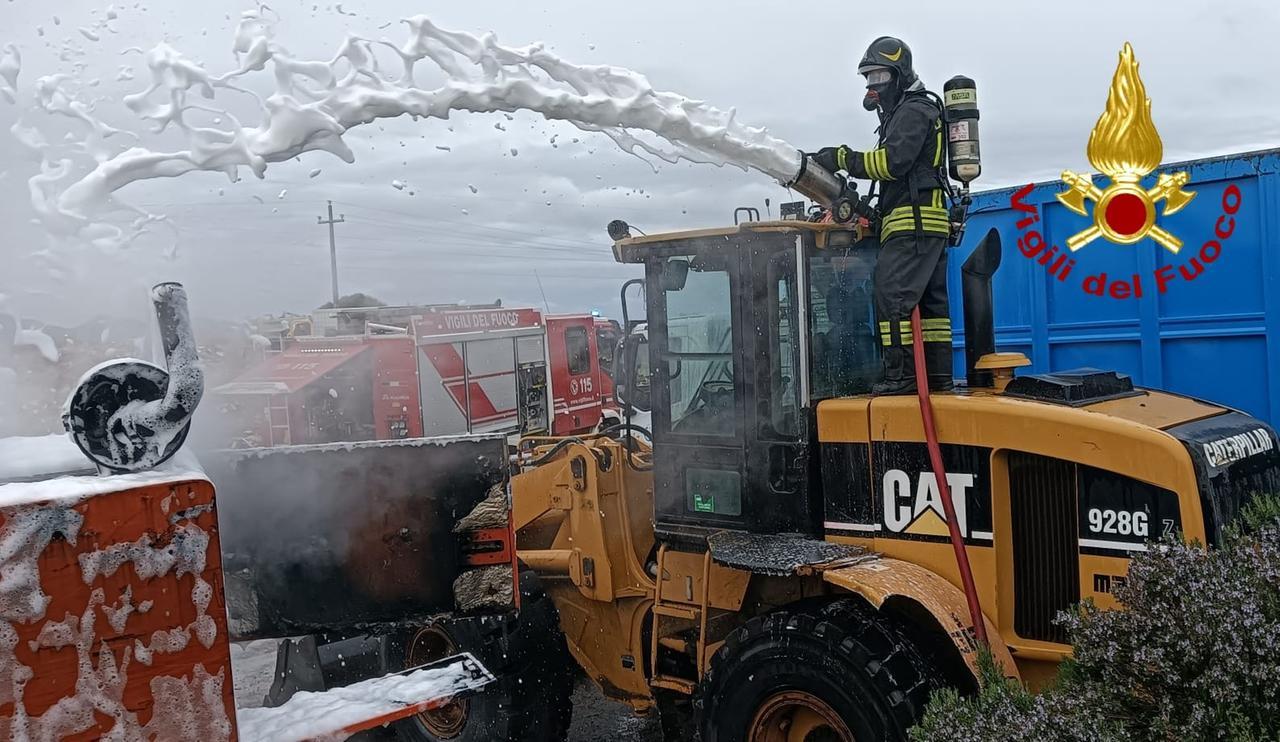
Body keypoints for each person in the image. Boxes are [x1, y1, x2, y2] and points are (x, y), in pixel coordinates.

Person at [809, 36, 954, 394]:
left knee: (891, 297)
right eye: (868, 79)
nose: (873, 87)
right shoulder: (907, 112)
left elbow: (891, 163)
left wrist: (842, 157)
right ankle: (936, 376)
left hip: (913, 225)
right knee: (931, 308)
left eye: (879, 78)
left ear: (900, 75)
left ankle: (901, 378)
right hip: (922, 224)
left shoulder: (913, 111)